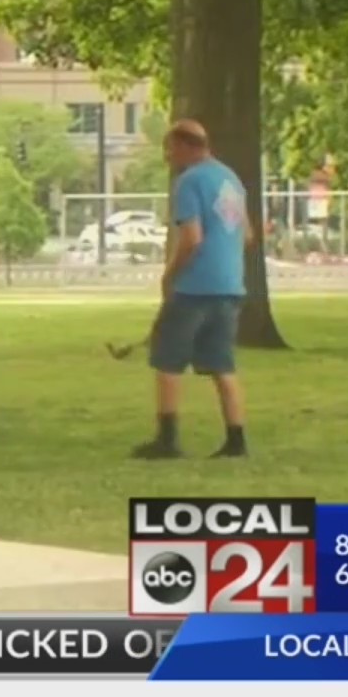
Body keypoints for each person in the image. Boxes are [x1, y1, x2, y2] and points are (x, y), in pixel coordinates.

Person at [132, 119, 254, 460]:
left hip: (194, 288)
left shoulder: (190, 182)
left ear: (187, 146)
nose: (167, 157)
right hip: (229, 286)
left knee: (168, 360)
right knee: (222, 365)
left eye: (169, 149)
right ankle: (236, 440)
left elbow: (192, 238)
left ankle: (167, 440)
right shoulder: (230, 179)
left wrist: (170, 276)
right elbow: (247, 235)